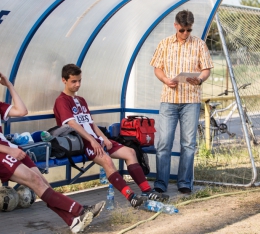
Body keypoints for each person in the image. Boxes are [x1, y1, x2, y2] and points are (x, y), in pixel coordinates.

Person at [0, 73, 105, 234]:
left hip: (11, 149)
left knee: (43, 184)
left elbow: (22, 111)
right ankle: (79, 210)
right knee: (35, 180)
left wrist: (9, 85)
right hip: (4, 152)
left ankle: (73, 221)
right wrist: (9, 150)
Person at [53, 64, 169, 208]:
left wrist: (104, 138)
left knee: (131, 152)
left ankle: (147, 191)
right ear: (64, 80)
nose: (77, 84)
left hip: (97, 139)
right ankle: (131, 196)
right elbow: (72, 124)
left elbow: (91, 124)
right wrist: (93, 141)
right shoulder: (62, 101)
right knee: (107, 161)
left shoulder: (81, 100)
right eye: (74, 81)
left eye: (79, 81)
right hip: (84, 143)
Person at [150, 10, 214, 194]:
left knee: (188, 144)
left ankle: (184, 182)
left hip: (191, 101)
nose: (186, 33)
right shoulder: (164, 44)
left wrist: (200, 79)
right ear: (176, 25)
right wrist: (165, 80)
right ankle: (161, 182)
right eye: (183, 30)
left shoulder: (199, 44)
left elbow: (206, 69)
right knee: (164, 142)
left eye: (189, 30)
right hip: (169, 100)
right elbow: (158, 68)